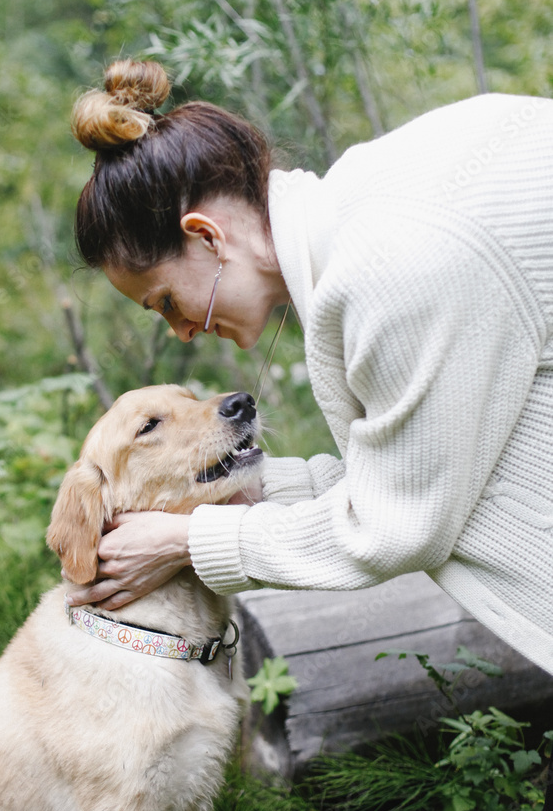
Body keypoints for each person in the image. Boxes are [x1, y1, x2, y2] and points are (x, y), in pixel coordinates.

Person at [64, 58, 553, 688]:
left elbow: (397, 526)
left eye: (164, 301)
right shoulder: (366, 204)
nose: (181, 330)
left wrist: (189, 543)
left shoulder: (392, 267)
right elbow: (408, 470)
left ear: (207, 238)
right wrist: (209, 502)